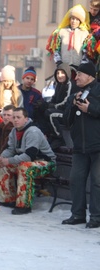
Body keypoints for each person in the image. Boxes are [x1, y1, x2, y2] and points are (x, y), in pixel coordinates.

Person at [0, 107, 56, 215]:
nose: (15, 120)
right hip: (28, 161)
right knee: (4, 165)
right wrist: (2, 158)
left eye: (18, 117)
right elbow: (10, 149)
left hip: (46, 162)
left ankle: (24, 205)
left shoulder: (33, 131)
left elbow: (29, 155)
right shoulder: (14, 131)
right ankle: (8, 199)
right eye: (13, 117)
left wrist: (9, 160)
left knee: (25, 167)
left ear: (26, 119)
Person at [62, 62, 100, 229]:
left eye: (79, 74)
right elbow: (66, 121)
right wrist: (72, 105)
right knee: (76, 180)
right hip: (79, 147)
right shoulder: (74, 94)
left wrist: (90, 109)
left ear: (90, 76)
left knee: (97, 182)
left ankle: (96, 217)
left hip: (98, 146)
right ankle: (77, 214)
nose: (76, 77)